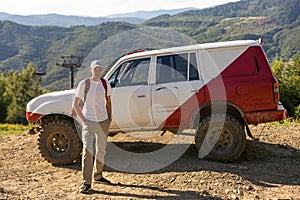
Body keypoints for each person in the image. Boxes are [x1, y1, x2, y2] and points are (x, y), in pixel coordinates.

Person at [72, 60, 112, 194]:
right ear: (91, 70)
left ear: (102, 70)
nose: (98, 71)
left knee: (101, 150)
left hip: (103, 122)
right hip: (89, 122)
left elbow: (108, 102)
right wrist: (84, 120)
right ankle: (86, 183)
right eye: (95, 69)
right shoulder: (84, 84)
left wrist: (109, 119)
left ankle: (98, 176)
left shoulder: (105, 84)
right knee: (87, 152)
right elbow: (76, 104)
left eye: (100, 69)